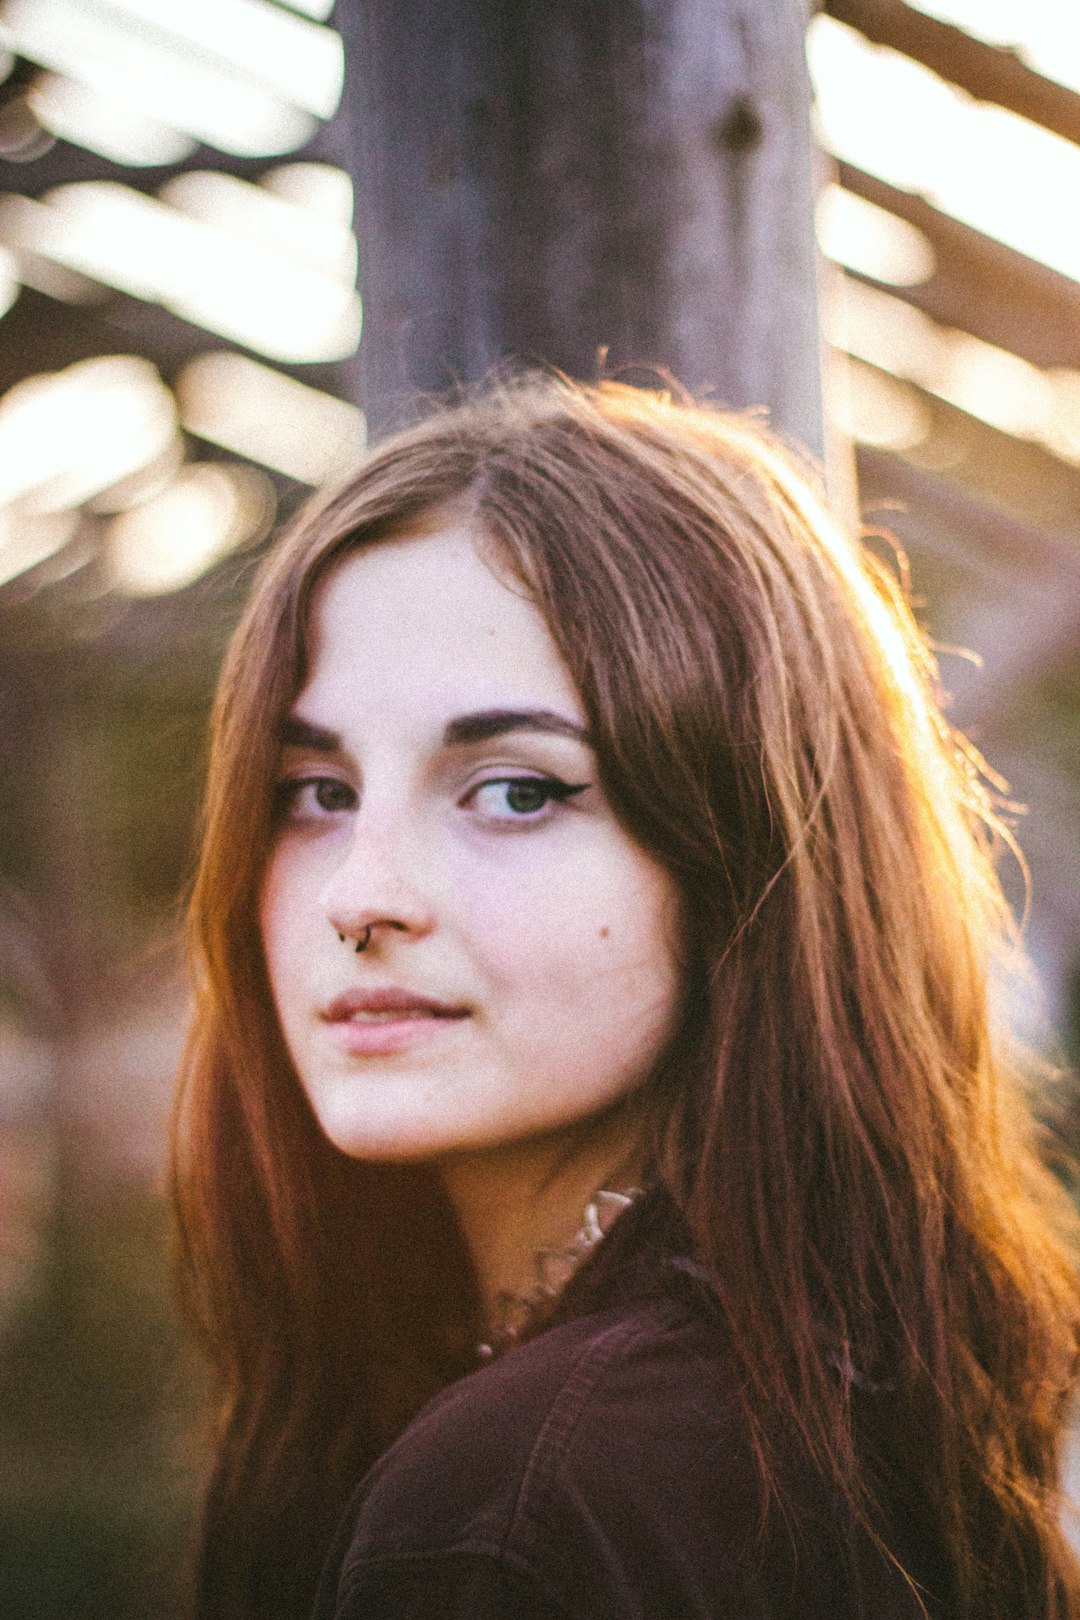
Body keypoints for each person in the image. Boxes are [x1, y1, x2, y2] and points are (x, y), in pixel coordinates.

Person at [173, 375, 1080, 1620]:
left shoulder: (516, 1516)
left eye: (516, 790)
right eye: (315, 790)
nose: (358, 895)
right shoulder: (905, 1375)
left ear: (745, 855)